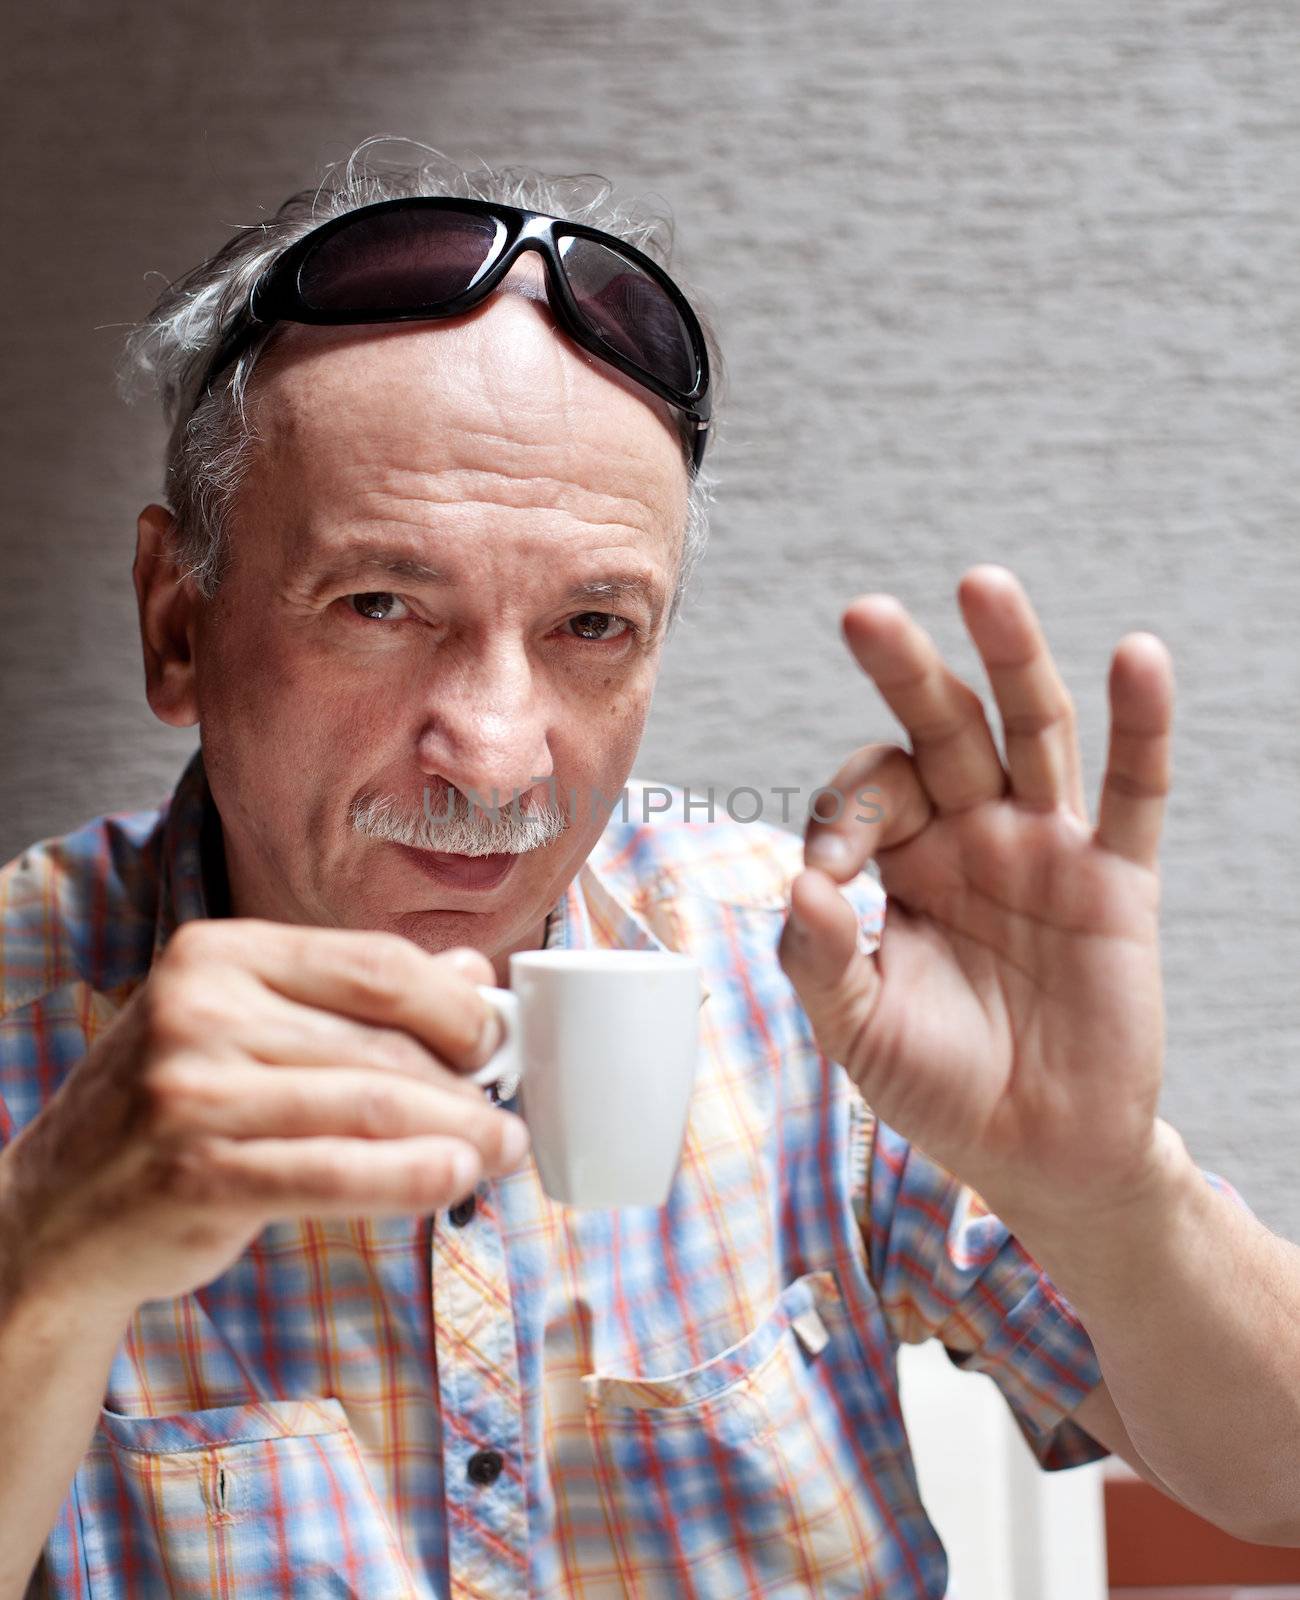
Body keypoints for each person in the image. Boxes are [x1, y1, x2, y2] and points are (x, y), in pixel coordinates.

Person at [1, 139, 1298, 1600]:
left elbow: (1280, 1492)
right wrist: (36, 1265)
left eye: (593, 628)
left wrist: (1114, 1191)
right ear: (179, 626)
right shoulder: (16, 1015)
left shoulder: (814, 970)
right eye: (380, 605)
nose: (494, 758)